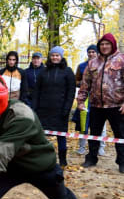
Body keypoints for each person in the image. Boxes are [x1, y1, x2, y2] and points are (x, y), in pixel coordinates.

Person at [78, 33, 124, 173]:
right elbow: (85, 83)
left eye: (107, 44)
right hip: (96, 105)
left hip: (116, 105)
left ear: (113, 45)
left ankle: (122, 162)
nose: (104, 47)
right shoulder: (93, 63)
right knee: (94, 134)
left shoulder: (121, 60)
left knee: (120, 135)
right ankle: (92, 158)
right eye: (102, 44)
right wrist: (80, 101)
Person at [32, 46, 76, 167]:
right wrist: (34, 109)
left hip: (60, 111)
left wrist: (66, 109)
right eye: (53, 55)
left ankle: (62, 160)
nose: (55, 57)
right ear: (50, 57)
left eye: (57, 55)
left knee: (61, 136)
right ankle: (42, 159)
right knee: (41, 137)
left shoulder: (68, 71)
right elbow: (37, 91)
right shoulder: (43, 72)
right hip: (43, 111)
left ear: (61, 56)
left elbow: (71, 92)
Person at [73, 44, 106, 155]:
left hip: (99, 99)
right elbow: (76, 81)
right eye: (89, 52)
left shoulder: (103, 64)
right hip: (85, 99)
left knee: (101, 125)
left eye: (93, 52)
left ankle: (101, 147)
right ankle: (82, 147)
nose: (91, 54)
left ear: (97, 53)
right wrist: (84, 83)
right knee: (83, 123)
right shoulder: (82, 66)